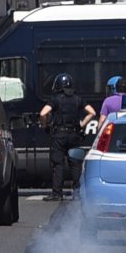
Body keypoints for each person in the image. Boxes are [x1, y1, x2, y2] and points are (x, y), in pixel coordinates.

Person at [38, 73, 96, 201]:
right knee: (75, 164)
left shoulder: (55, 99)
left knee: (58, 164)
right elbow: (92, 112)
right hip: (74, 134)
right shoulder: (78, 99)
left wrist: (45, 125)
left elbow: (43, 113)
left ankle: (57, 193)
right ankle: (77, 193)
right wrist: (82, 124)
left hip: (59, 135)